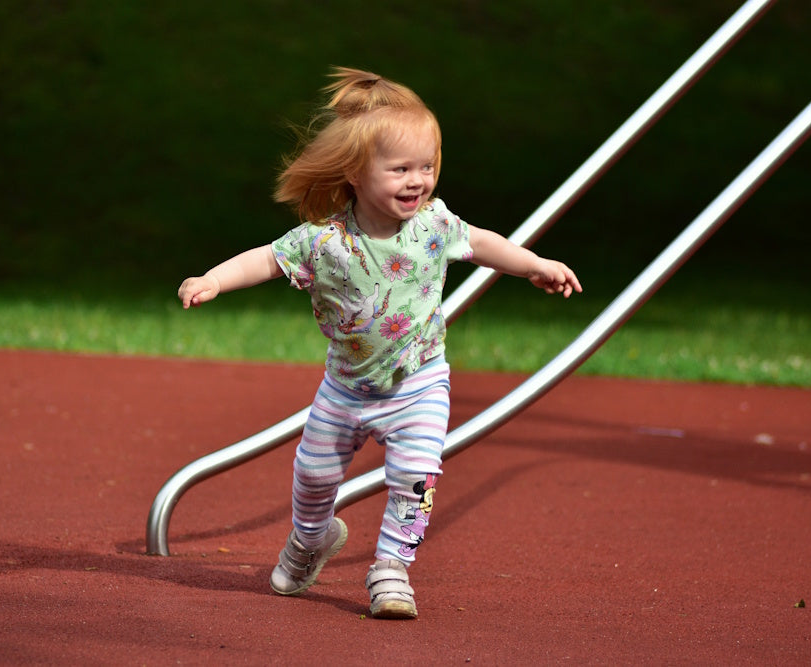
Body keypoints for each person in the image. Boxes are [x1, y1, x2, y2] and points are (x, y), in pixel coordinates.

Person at [178, 67, 581, 620]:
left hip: (419, 383)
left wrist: (533, 265)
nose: (418, 181)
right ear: (355, 172)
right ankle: (310, 540)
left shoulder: (435, 225)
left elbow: (484, 243)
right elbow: (267, 259)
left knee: (414, 478)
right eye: (401, 169)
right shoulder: (324, 240)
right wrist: (214, 279)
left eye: (428, 166)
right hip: (344, 389)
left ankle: (392, 566)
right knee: (314, 476)